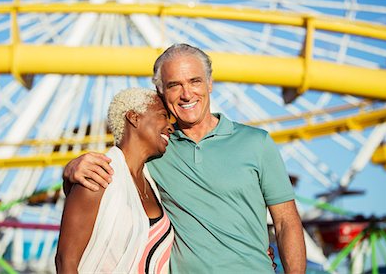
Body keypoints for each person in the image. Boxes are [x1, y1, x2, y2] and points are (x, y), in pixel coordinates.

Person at [63, 44, 306, 273]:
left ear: (210, 83)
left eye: (195, 81)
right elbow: (112, 181)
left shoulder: (256, 143)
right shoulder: (157, 152)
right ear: (161, 91)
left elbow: (286, 221)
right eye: (174, 85)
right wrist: (71, 170)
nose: (186, 93)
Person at [55, 88, 175, 273]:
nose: (170, 127)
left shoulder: (151, 183)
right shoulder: (97, 178)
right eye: (162, 116)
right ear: (134, 117)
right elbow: (66, 261)